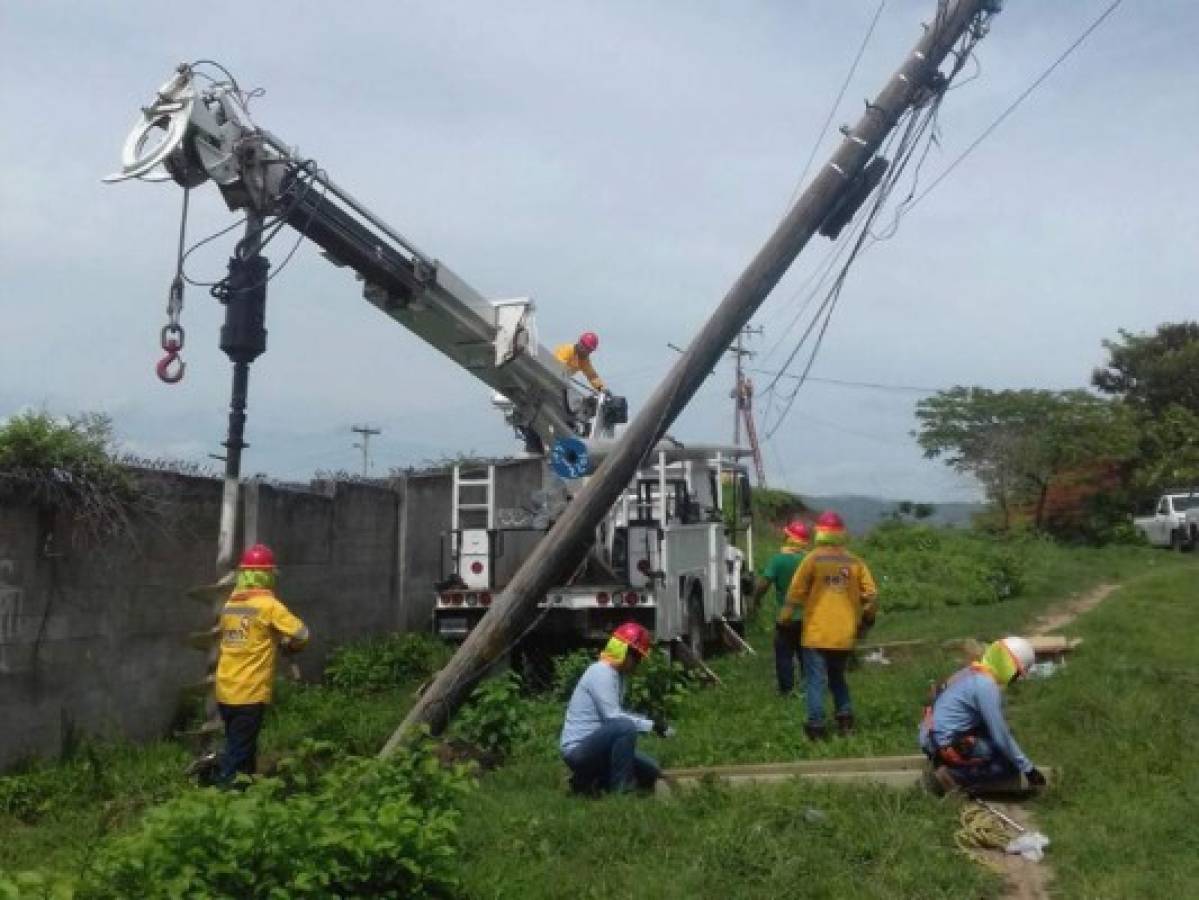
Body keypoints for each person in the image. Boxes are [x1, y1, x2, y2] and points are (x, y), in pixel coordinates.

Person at [213, 543, 309, 785]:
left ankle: (244, 787)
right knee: (240, 754)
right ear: (266, 575)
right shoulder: (269, 606)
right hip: (249, 691)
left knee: (241, 744)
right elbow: (302, 633)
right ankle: (225, 795)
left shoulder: (231, 605)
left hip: (225, 689)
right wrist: (290, 646)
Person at [783, 510, 878, 740]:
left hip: (816, 633)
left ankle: (816, 727)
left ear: (819, 533)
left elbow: (795, 593)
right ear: (841, 534)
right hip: (844, 634)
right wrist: (867, 618)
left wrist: (784, 619)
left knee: (815, 681)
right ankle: (845, 720)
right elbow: (872, 595)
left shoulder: (812, 559)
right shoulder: (855, 562)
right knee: (837, 677)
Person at [919, 637, 1047, 794]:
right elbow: (1001, 735)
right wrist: (1029, 770)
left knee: (994, 741)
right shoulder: (986, 686)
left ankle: (945, 764)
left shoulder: (971, 672)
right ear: (1011, 666)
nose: (1016, 679)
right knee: (1007, 764)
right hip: (944, 744)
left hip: (930, 737)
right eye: (1017, 674)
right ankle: (952, 776)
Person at [559, 622, 672, 794]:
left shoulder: (618, 676)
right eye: (637, 658)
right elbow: (613, 718)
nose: (638, 663)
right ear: (625, 653)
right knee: (624, 727)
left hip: (598, 747)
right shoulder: (601, 673)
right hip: (579, 751)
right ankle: (621, 790)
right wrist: (651, 725)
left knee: (652, 770)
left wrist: (649, 723)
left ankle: (587, 781)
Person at [750, 520, 811, 695]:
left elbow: (763, 584)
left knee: (784, 654)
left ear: (789, 538)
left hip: (786, 617)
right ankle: (808, 688)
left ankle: (787, 690)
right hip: (808, 617)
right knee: (805, 654)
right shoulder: (809, 561)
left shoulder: (778, 560)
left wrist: (756, 600)